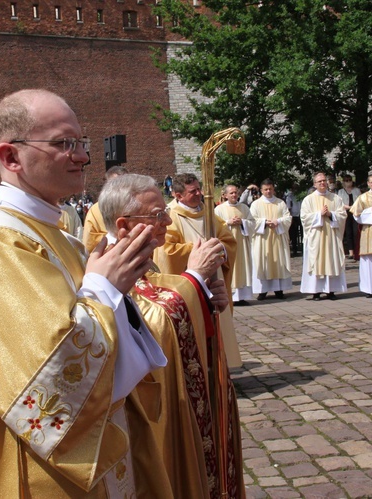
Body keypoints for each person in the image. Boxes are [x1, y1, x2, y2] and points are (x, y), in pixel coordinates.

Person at [0, 89, 168, 497]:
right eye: (64, 144)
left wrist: (122, 290)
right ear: (11, 158)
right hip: (35, 469)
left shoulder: (56, 233)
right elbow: (47, 383)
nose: (82, 156)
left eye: (82, 143)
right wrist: (103, 287)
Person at [98, 173, 245, 498]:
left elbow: (163, 304)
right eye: (157, 215)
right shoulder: (107, 267)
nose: (167, 219)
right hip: (149, 412)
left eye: (165, 211)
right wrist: (194, 279)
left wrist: (206, 300)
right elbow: (150, 327)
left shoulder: (141, 260)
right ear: (123, 225)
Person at [153, 173, 242, 367]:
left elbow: (229, 242)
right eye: (193, 191)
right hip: (190, 285)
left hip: (214, 282)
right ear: (178, 195)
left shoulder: (209, 212)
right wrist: (200, 251)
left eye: (199, 189)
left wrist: (219, 250)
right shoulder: (171, 216)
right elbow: (166, 251)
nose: (199, 194)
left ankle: (218, 367)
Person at [300, 172, 347, 300]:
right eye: (319, 181)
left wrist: (331, 214)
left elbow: (342, 215)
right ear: (314, 184)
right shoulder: (308, 200)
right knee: (316, 261)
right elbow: (304, 218)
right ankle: (316, 291)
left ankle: (331, 290)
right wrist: (319, 214)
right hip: (316, 237)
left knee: (331, 260)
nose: (322, 183)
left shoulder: (335, 198)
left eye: (324, 181)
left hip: (331, 237)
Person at [249, 179, 292, 300]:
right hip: (263, 239)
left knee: (279, 261)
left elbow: (288, 218)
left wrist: (277, 221)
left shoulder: (280, 203)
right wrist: (265, 222)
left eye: (270, 189)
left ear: (273, 189)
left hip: (278, 238)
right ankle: (263, 290)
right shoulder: (256, 204)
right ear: (261, 190)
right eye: (266, 189)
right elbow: (252, 221)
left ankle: (279, 289)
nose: (268, 191)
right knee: (263, 262)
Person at [215, 184, 254, 305]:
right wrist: (228, 222)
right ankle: (230, 296)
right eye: (231, 193)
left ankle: (242, 296)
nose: (234, 195)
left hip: (241, 243)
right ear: (225, 195)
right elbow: (215, 226)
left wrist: (242, 222)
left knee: (242, 267)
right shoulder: (219, 209)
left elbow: (253, 223)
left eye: (236, 192)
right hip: (227, 244)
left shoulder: (244, 208)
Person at [82, 165, 128, 253]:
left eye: (126, 183)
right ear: (107, 185)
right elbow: (89, 242)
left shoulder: (137, 206)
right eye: (116, 184)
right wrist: (114, 238)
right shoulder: (95, 210)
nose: (121, 188)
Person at [338, 174, 361, 259]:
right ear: (343, 182)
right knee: (348, 232)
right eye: (346, 180)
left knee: (356, 231)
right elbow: (340, 203)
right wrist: (349, 207)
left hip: (355, 212)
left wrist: (354, 207)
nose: (348, 182)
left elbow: (360, 201)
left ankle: (357, 251)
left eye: (349, 180)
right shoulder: (340, 191)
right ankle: (351, 252)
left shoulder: (357, 190)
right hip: (346, 212)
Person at [284, 184, 303, 256]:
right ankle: (294, 249)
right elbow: (288, 207)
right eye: (294, 188)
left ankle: (302, 248)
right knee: (294, 234)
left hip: (301, 215)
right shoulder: (290, 196)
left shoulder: (301, 196)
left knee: (302, 232)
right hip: (294, 216)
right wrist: (290, 217)